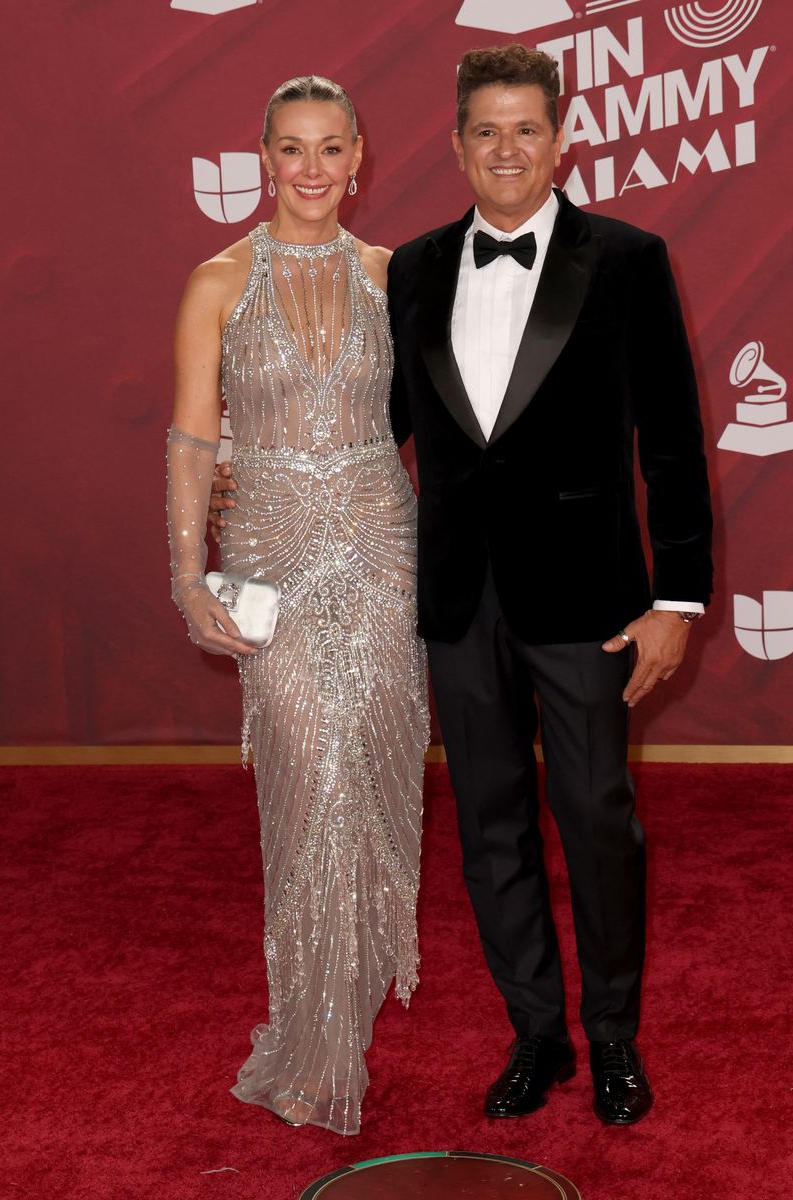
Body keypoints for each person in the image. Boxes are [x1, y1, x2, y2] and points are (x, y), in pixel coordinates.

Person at [384, 45, 713, 1126]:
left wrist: (676, 600)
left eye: (527, 128)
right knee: (489, 827)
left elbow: (668, 440)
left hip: (587, 603)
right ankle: (537, 1035)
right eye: (486, 130)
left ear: (563, 138)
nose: (507, 148)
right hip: (457, 601)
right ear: (456, 144)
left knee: (595, 821)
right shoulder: (414, 267)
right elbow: (386, 428)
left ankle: (612, 1037)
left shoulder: (625, 258)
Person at [166, 75, 428, 1137]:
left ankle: (338, 1026)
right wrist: (188, 573)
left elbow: (446, 425)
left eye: (329, 148)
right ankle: (311, 1037)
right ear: (264, 157)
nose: (311, 169)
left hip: (382, 556)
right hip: (268, 560)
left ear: (358, 154)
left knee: (364, 785)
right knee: (308, 779)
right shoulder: (216, 282)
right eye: (290, 149)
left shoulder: (390, 279)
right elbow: (191, 438)